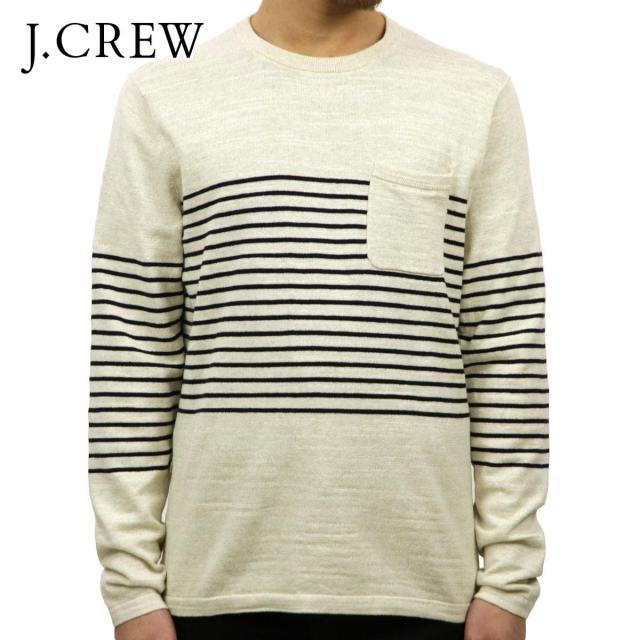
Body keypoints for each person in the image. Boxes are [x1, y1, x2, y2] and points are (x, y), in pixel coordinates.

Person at [87, 1, 549, 639]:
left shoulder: (474, 97)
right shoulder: (165, 97)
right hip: (215, 597)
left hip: (427, 600)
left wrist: (509, 583)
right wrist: (132, 591)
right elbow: (132, 350)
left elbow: (506, 348)